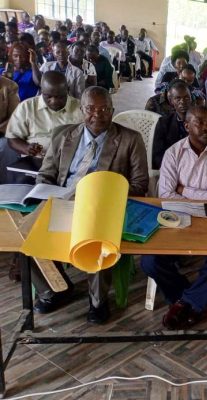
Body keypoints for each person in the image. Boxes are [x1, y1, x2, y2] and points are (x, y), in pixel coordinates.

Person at [34, 86, 149, 324]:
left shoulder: (129, 139)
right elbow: (45, 175)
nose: (97, 114)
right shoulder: (62, 135)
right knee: (27, 238)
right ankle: (55, 288)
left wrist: (109, 196)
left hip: (102, 207)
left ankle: (98, 301)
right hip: (64, 202)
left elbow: (140, 184)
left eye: (104, 109)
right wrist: (47, 194)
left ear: (112, 110)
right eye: (90, 109)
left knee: (95, 238)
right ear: (81, 110)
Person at [141, 106, 207, 329]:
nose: (206, 127)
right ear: (187, 126)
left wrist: (183, 191)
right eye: (200, 123)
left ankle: (184, 303)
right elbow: (165, 195)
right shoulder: (173, 153)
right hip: (175, 218)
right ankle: (188, 299)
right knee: (150, 261)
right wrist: (197, 198)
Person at [6, 71, 83, 156]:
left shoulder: (81, 108)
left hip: (69, 160)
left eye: (60, 97)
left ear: (67, 90)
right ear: (41, 90)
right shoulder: (26, 107)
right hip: (35, 159)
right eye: (48, 96)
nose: (54, 101)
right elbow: (12, 138)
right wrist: (26, 148)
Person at [152, 80, 193, 169]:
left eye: (186, 98)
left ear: (191, 98)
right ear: (171, 101)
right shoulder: (163, 123)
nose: (182, 102)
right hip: (171, 169)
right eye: (178, 98)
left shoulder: (199, 122)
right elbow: (158, 156)